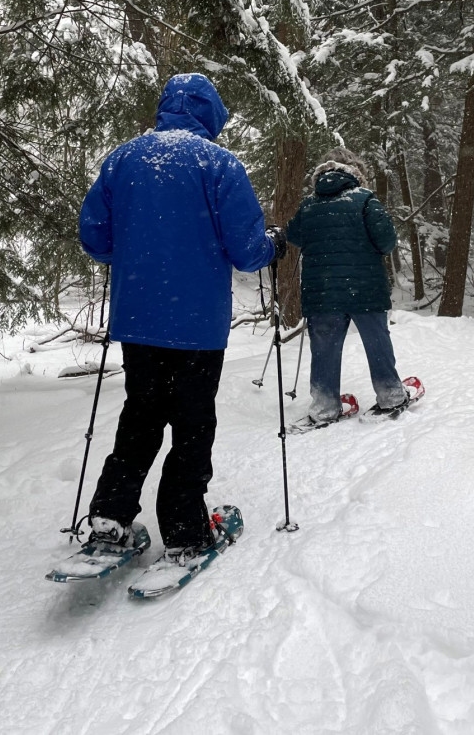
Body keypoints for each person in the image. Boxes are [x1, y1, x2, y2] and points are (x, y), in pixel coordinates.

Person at [77, 73, 284, 562]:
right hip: (196, 325)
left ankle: (110, 518)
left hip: (140, 321)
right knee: (193, 422)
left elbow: (95, 240)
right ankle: (186, 530)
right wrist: (273, 245)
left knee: (140, 417)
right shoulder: (219, 164)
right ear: (211, 115)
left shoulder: (123, 160)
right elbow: (248, 250)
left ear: (166, 107)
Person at [286, 148, 416, 429]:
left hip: (322, 293)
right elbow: (386, 242)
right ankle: (391, 396)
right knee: (376, 343)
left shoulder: (309, 205)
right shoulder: (366, 200)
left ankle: (324, 407)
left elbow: (294, 235)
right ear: (356, 172)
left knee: (324, 351)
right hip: (365, 290)